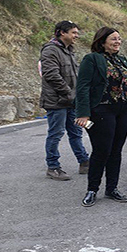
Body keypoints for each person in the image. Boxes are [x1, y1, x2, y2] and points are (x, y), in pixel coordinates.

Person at [74, 27, 127, 207]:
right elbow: (83, 86)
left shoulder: (122, 60)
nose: (118, 42)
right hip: (102, 110)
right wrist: (83, 113)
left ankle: (112, 188)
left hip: (123, 110)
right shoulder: (92, 59)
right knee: (102, 150)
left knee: (116, 150)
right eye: (113, 39)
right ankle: (92, 189)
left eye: (119, 39)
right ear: (102, 41)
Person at [39, 20, 90, 181]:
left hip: (71, 100)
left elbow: (75, 77)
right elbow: (51, 75)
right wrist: (69, 94)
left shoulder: (69, 51)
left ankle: (84, 162)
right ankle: (53, 167)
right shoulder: (50, 50)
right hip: (57, 101)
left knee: (76, 133)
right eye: (74, 32)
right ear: (62, 33)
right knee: (56, 133)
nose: (77, 36)